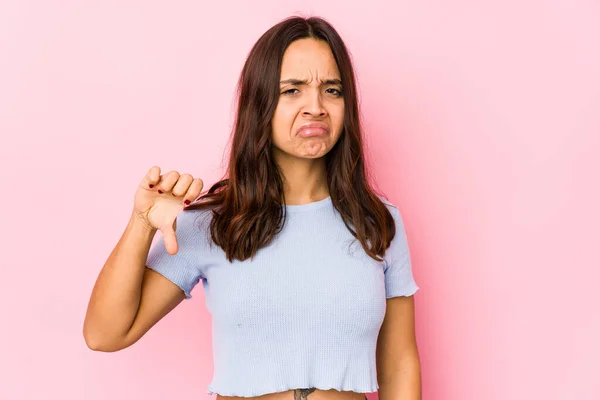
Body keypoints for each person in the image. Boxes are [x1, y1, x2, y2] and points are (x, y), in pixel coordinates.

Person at [83, 15, 421, 400]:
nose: (316, 107)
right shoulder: (212, 224)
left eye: (332, 89)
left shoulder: (378, 223)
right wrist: (141, 222)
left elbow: (399, 363)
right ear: (260, 102)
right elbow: (104, 334)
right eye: (292, 90)